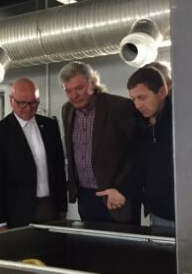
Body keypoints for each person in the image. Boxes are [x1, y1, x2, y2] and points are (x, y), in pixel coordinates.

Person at [59, 61, 140, 224]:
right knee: (92, 247)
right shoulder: (67, 110)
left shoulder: (120, 107)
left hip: (115, 196)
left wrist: (122, 189)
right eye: (68, 91)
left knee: (123, 248)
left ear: (93, 83)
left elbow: (138, 153)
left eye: (79, 88)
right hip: (85, 196)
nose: (74, 95)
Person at [0, 78, 67, 231]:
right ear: (11, 100)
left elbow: (59, 170)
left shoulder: (50, 126)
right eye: (22, 103)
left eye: (34, 103)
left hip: (50, 208)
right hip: (16, 213)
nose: (28, 108)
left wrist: (62, 209)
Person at [127, 67, 174, 228]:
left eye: (142, 97)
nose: (137, 105)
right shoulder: (138, 126)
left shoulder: (182, 120)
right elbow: (138, 169)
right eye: (133, 99)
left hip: (190, 213)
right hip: (158, 213)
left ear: (162, 92)